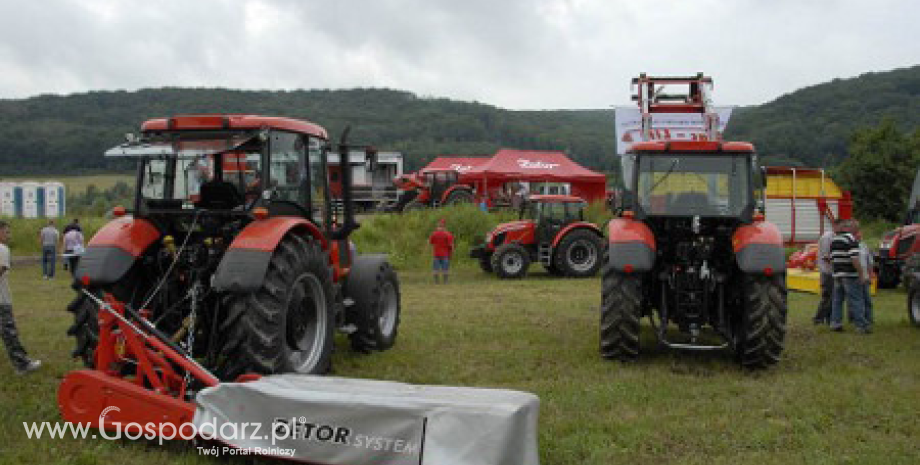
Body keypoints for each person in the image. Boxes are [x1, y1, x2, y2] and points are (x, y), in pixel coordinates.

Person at [0, 221, 41, 375]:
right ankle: (22, 365)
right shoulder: (2, 249)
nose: (8, 236)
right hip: (2, 301)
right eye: (6, 232)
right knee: (9, 333)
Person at [829, 219, 871, 333]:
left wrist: (836, 272)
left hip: (837, 274)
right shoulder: (850, 239)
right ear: (847, 228)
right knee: (856, 300)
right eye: (854, 228)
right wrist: (861, 274)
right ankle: (861, 326)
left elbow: (832, 259)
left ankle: (835, 323)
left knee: (837, 300)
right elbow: (854, 258)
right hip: (850, 275)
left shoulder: (833, 240)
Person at [812, 221, 838, 325]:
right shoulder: (827, 237)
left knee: (831, 296)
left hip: (830, 270)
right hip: (827, 271)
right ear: (835, 225)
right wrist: (838, 264)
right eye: (842, 226)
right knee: (827, 296)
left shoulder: (833, 236)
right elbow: (826, 256)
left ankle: (829, 318)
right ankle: (818, 318)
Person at [857, 231, 875, 328]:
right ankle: (857, 319)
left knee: (867, 299)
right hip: (856, 277)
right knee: (857, 300)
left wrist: (871, 273)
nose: (860, 235)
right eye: (858, 234)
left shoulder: (864, 246)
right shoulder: (852, 245)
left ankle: (869, 318)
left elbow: (870, 261)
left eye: (861, 234)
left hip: (865, 276)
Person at [428, 219, 454, 284]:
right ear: (444, 227)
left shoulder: (433, 234)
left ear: (438, 227)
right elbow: (451, 245)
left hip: (436, 254)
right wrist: (451, 253)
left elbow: (430, 243)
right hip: (445, 254)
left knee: (435, 269)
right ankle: (445, 282)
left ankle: (436, 282)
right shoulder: (448, 234)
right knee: (445, 269)